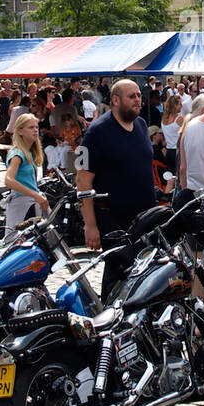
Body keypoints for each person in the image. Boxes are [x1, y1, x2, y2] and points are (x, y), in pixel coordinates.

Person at [78, 79, 156, 298]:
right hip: (114, 221)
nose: (138, 100)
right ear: (115, 100)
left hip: (145, 219)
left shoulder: (140, 125)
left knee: (143, 278)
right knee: (117, 279)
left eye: (139, 95)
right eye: (132, 96)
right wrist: (90, 225)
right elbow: (82, 180)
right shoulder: (96, 132)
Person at [3, 113, 47, 235]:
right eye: (31, 127)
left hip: (32, 204)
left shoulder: (29, 153)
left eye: (36, 127)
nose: (35, 130)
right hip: (21, 205)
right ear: (20, 131)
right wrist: (34, 194)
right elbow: (8, 180)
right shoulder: (17, 154)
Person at [160, 94, 183, 175]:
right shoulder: (179, 119)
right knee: (179, 177)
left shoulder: (163, 119)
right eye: (180, 104)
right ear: (175, 105)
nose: (181, 106)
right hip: (177, 152)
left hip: (169, 151)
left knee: (170, 179)